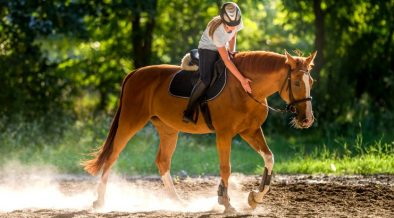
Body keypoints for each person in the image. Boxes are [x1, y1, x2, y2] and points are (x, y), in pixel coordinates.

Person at [183, 2, 252, 124]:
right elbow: (226, 60)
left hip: (222, 46)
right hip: (208, 49)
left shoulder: (236, 21)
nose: (232, 27)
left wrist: (232, 51)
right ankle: (188, 111)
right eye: (229, 25)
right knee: (206, 80)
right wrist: (242, 80)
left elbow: (233, 34)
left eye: (235, 25)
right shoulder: (217, 32)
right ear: (223, 20)